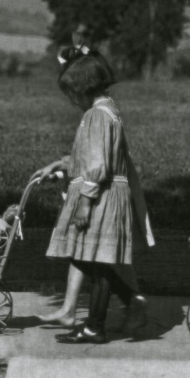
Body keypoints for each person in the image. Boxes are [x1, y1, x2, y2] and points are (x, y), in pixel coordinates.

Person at [33, 45, 154, 344]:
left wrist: (85, 202)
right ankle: (127, 301)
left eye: (72, 94)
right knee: (90, 259)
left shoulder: (97, 116)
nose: (72, 100)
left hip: (101, 196)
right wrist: (62, 164)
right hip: (106, 192)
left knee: (96, 262)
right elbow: (93, 157)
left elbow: (98, 165)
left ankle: (95, 327)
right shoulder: (108, 110)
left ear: (83, 88)